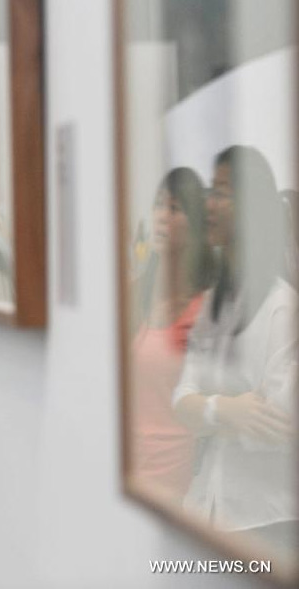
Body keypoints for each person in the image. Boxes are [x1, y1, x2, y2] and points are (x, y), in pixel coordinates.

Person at [172, 146, 297, 555]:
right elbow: (180, 401)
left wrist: (207, 409)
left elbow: (276, 428)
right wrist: (228, 410)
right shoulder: (215, 303)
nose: (209, 203)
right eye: (211, 189)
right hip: (209, 506)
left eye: (222, 192)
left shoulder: (282, 307)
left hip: (267, 522)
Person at [129, 167, 213, 500]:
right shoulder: (136, 294)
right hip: (131, 468)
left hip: (179, 477)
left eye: (175, 209)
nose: (161, 216)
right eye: (158, 205)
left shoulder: (207, 308)